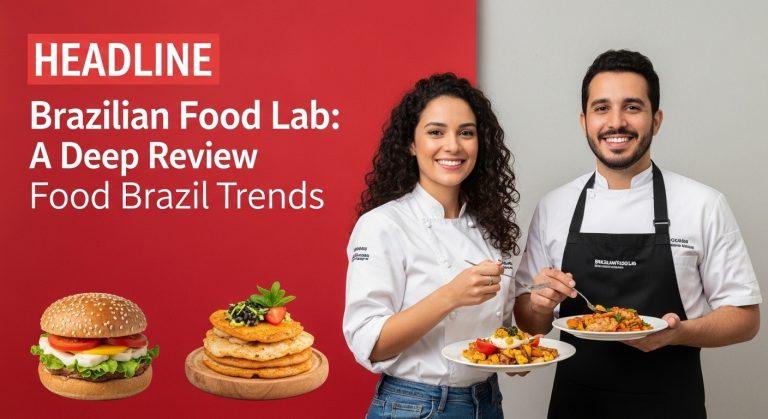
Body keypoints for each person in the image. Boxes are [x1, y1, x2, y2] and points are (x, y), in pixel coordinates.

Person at [513, 49, 762, 418]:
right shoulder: (555, 205)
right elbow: (528, 321)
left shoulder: (702, 203)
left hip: (671, 404)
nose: (616, 122)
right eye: (601, 108)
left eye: (632, 107)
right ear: (584, 121)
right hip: (576, 405)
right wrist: (539, 304)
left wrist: (678, 333)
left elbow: (745, 318)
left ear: (656, 119)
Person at [343, 73, 521, 418]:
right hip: (413, 406)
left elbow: (502, 333)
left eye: (466, 133)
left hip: (487, 403)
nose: (453, 146)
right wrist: (450, 296)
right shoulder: (382, 225)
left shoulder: (489, 229)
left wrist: (519, 347)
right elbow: (370, 344)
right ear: (411, 143)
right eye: (436, 132)